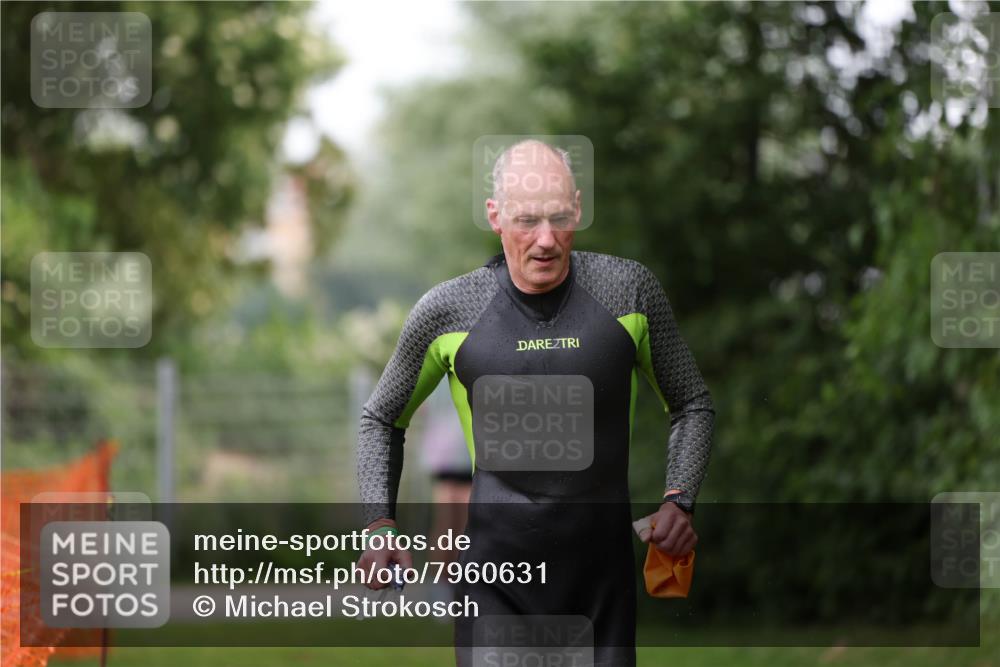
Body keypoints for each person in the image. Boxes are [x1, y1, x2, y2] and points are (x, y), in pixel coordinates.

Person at [356, 139, 714, 667]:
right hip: (495, 587)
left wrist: (678, 499)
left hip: (600, 589)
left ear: (578, 208)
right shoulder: (448, 311)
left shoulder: (628, 291)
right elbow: (380, 419)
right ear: (494, 217)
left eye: (560, 218)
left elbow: (692, 403)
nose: (546, 240)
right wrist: (378, 522)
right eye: (527, 221)